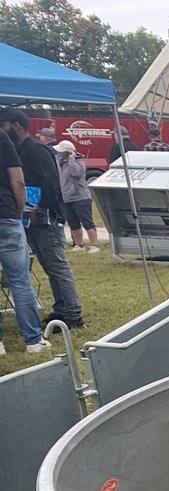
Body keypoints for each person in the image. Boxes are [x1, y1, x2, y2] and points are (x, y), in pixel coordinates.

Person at [0, 108, 85, 330]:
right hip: (29, 217)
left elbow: (51, 183)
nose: (2, 130)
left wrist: (40, 209)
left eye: (3, 125)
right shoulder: (16, 149)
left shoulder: (35, 149)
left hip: (45, 217)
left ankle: (72, 313)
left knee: (57, 266)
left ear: (16, 125)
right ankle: (61, 309)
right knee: (48, 266)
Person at [0, 127, 49, 354]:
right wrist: (18, 214)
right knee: (20, 281)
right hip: (6, 213)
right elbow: (18, 180)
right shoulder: (2, 137)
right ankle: (33, 341)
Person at [54, 140, 100, 252]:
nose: (59, 153)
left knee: (87, 221)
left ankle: (94, 245)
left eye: (61, 151)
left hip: (80, 196)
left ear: (68, 152)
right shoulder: (59, 161)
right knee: (73, 222)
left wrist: (71, 160)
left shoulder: (78, 161)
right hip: (66, 197)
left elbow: (77, 173)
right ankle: (79, 245)